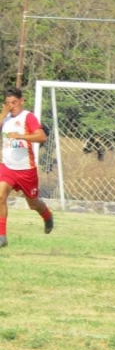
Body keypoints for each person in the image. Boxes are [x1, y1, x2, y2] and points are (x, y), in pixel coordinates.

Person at [0, 87, 54, 248]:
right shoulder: (5, 119)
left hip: (26, 171)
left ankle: (47, 215)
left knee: (33, 204)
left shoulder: (28, 117)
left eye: (14, 102)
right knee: (0, 196)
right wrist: (3, 114)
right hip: (7, 167)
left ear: (22, 101)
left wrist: (21, 136)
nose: (11, 106)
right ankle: (2, 236)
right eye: (8, 103)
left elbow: (42, 137)